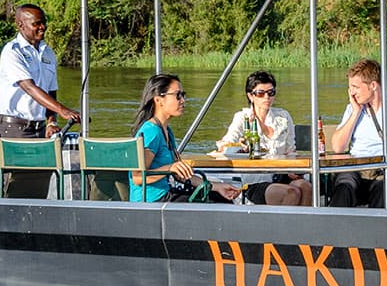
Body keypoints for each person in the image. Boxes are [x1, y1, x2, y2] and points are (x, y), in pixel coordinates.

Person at [0, 4, 79, 197]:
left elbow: (51, 90)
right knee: (16, 189)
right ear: (20, 25)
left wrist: (51, 121)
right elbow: (30, 88)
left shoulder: (47, 53)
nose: (42, 27)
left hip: (39, 129)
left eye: (44, 23)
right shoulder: (12, 51)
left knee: (40, 186)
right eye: (36, 24)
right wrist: (63, 111)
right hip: (14, 129)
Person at [326, 57, 387, 208]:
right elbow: (337, 147)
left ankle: (377, 230)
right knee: (344, 184)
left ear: (373, 86)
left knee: (382, 187)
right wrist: (355, 112)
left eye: (355, 87)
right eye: (350, 87)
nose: (351, 92)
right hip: (355, 170)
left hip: (385, 171)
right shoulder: (352, 108)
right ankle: (333, 229)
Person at [132, 73, 238, 203]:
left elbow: (180, 176)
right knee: (216, 205)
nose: (182, 100)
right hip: (151, 201)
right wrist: (169, 168)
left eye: (183, 95)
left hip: (166, 195)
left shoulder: (166, 131)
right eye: (178, 95)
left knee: (221, 198)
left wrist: (216, 187)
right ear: (159, 99)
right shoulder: (151, 131)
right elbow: (137, 177)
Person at [214, 70, 314, 206]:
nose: (266, 97)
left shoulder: (283, 117)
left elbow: (291, 151)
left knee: (306, 187)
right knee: (291, 192)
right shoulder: (242, 118)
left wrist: (294, 170)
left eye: (271, 93)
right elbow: (225, 145)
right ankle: (283, 227)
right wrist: (239, 145)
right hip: (256, 180)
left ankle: (304, 227)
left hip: (282, 174)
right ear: (250, 96)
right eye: (260, 93)